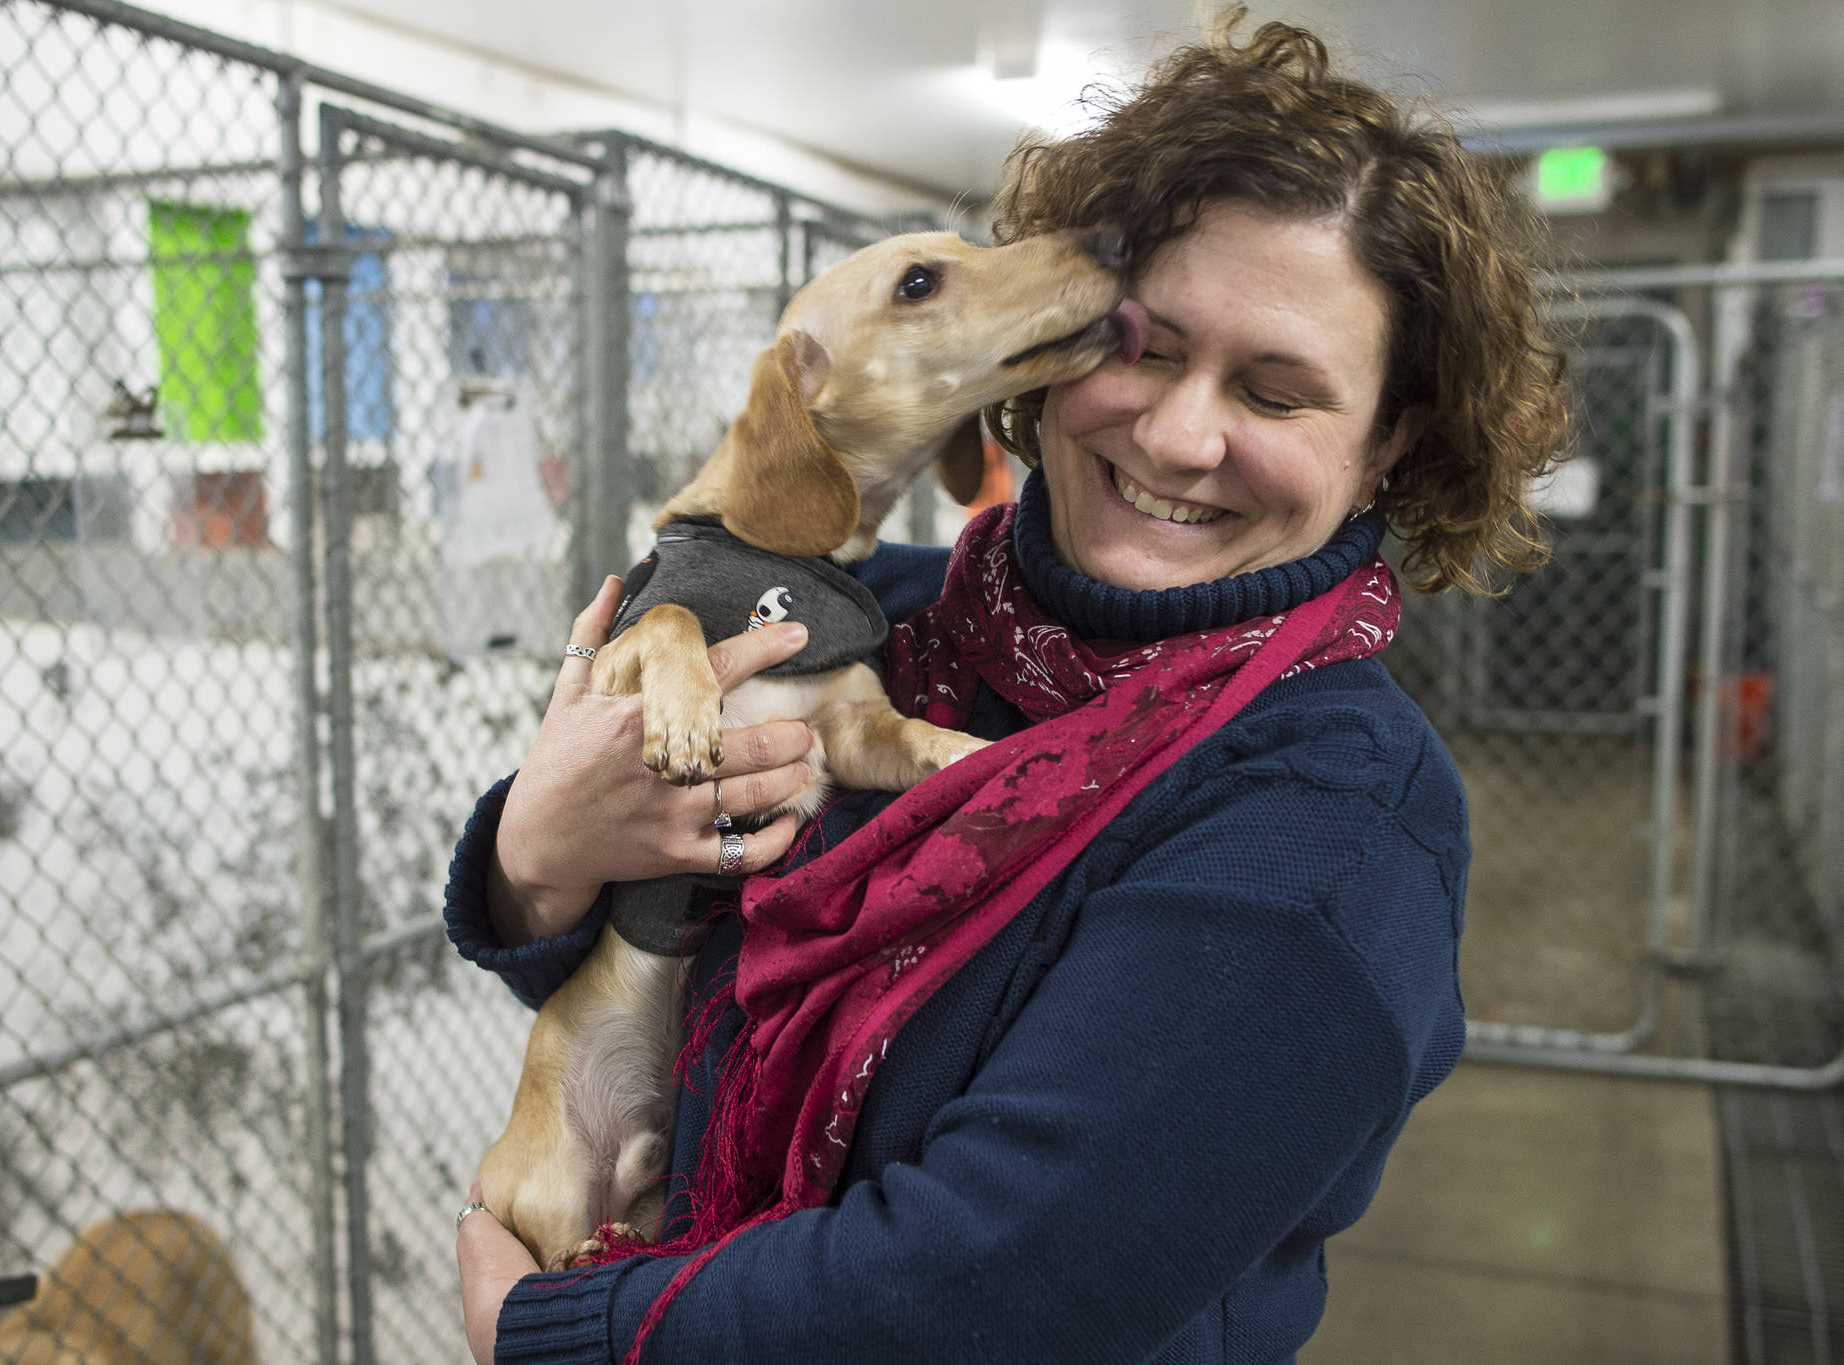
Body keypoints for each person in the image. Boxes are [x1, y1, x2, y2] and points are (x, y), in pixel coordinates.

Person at [445, 12, 1566, 1363]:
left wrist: (566, 1332)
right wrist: (534, 859)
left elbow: (987, 1293)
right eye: (1149, 348)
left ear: (1388, 441)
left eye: (1276, 395)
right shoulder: (884, 616)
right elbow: (668, 967)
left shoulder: (1326, 833)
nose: (1177, 433)